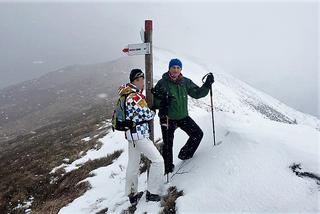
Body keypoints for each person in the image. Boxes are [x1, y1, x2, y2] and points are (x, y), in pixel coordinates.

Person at [152, 59, 214, 174]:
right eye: (173, 67)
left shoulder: (185, 82)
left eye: (178, 68)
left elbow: (197, 93)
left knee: (197, 134)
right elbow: (154, 102)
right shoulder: (162, 83)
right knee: (168, 145)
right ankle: (168, 169)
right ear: (169, 69)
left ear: (180, 69)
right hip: (167, 118)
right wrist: (162, 103)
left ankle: (185, 155)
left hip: (182, 117)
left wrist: (206, 85)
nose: (175, 70)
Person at [118, 69, 164, 205]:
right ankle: (152, 192)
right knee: (158, 161)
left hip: (131, 135)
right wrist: (153, 109)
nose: (144, 82)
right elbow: (148, 114)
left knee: (132, 165)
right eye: (142, 79)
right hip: (139, 135)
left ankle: (132, 195)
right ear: (137, 80)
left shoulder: (126, 93)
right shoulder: (135, 97)